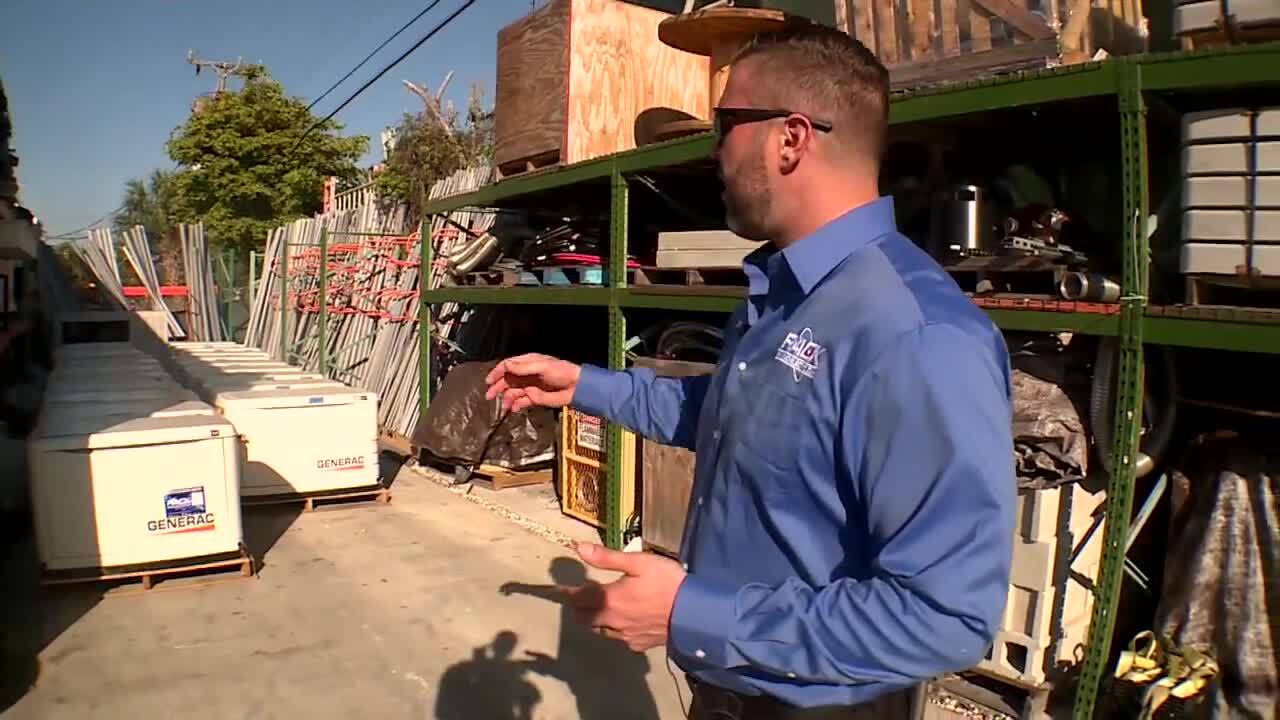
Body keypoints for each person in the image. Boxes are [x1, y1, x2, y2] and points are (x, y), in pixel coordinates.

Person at [484, 23, 1016, 719]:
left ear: (790, 139)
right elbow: (734, 415)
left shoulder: (916, 336)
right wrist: (585, 385)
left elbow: (943, 616)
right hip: (728, 687)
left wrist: (691, 616)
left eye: (725, 125)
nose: (714, 153)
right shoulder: (785, 289)